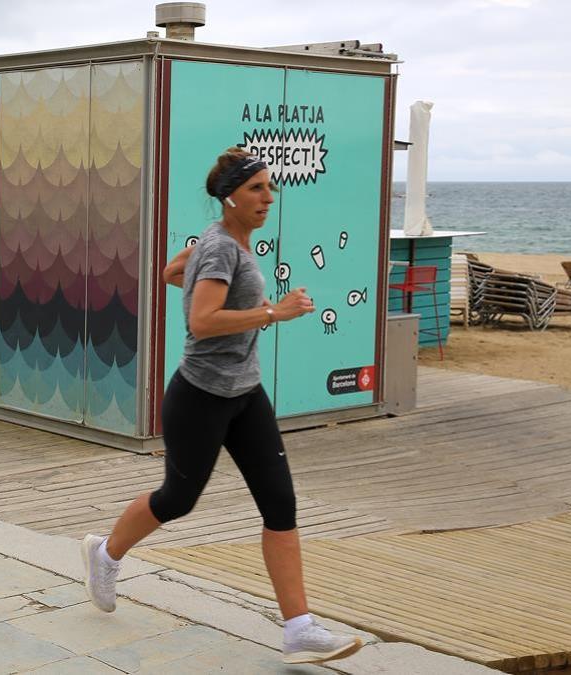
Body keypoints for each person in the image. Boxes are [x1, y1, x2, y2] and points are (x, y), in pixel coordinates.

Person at [81, 147, 363, 665]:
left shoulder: (224, 241)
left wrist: (219, 291)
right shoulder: (222, 250)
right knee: (178, 500)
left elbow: (171, 271)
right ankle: (106, 552)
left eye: (270, 188)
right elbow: (202, 323)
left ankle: (299, 628)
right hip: (201, 396)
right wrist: (272, 313)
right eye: (257, 188)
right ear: (230, 196)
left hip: (245, 394)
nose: (268, 198)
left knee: (280, 504)